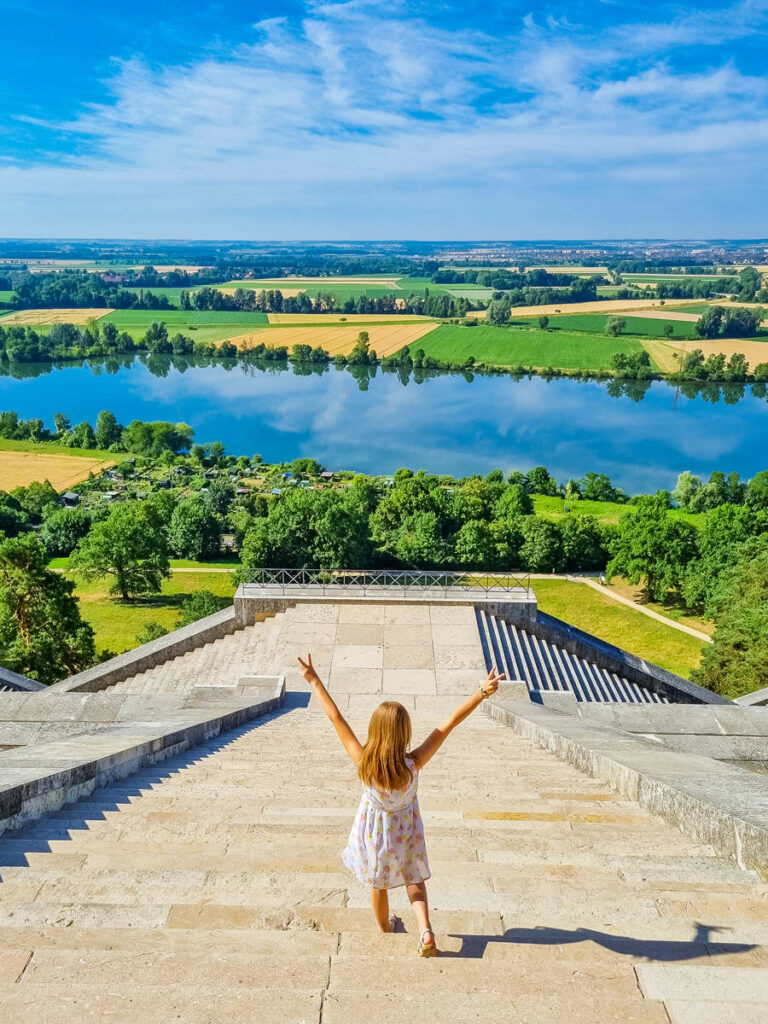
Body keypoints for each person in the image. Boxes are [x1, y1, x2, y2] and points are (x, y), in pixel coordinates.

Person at [297, 652, 504, 957]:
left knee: (377, 884)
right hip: (406, 832)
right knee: (414, 879)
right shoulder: (414, 763)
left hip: (374, 836)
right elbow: (447, 725)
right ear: (404, 733)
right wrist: (480, 693)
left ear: (375, 732)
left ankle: (385, 929)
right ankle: (426, 930)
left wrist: (315, 681)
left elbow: (336, 718)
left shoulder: (363, 761)